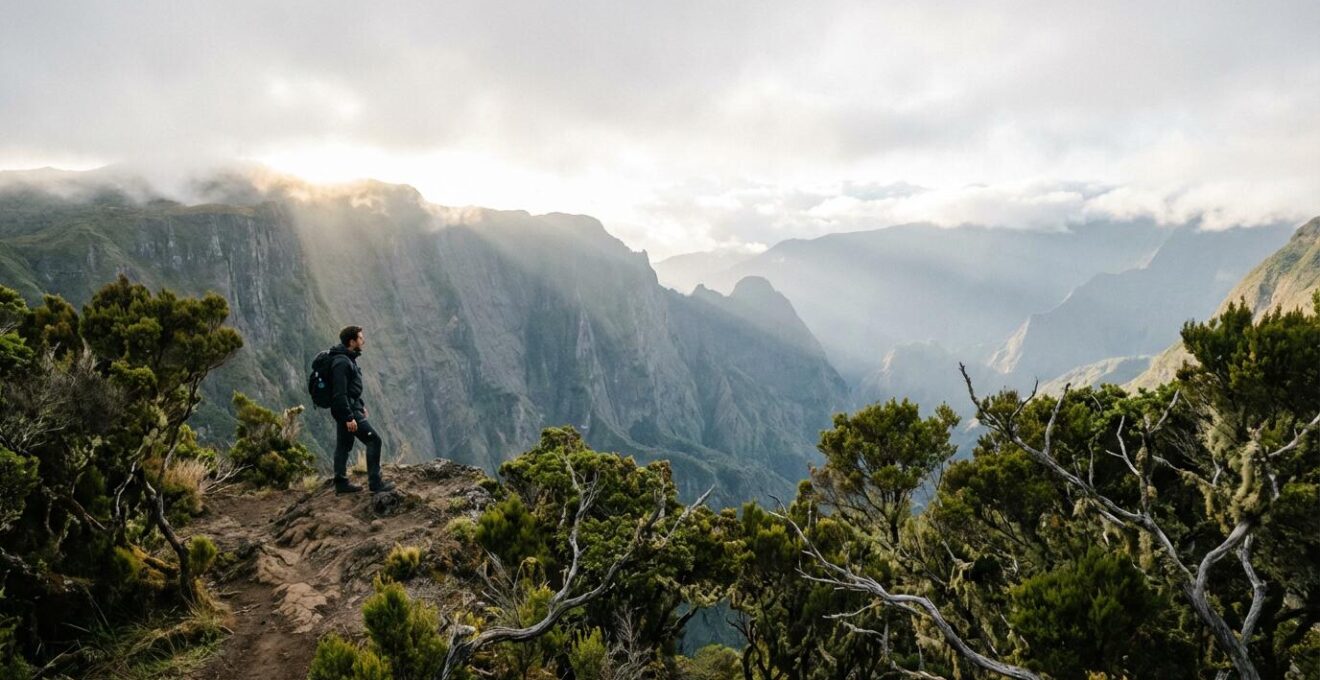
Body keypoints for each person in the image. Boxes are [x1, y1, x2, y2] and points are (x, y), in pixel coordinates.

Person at [328, 325, 394, 494]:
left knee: (344, 445)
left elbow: (351, 388)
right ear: (352, 342)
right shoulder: (342, 362)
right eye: (360, 338)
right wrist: (349, 417)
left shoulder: (348, 358)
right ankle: (375, 483)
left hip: (350, 408)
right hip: (347, 410)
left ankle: (341, 483)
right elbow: (340, 393)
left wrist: (361, 404)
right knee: (374, 440)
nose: (363, 340)